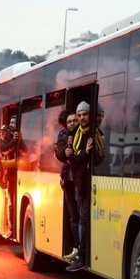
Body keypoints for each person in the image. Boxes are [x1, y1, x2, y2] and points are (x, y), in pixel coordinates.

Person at [66, 101, 105, 272]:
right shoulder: (75, 134)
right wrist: (83, 153)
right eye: (79, 115)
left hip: (90, 184)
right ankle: (81, 255)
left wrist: (85, 154)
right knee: (81, 220)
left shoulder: (93, 133)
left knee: (84, 221)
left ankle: (82, 255)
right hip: (79, 184)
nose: (82, 118)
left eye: (85, 114)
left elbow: (99, 158)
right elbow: (72, 158)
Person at [55, 110, 80, 262]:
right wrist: (66, 151)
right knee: (73, 216)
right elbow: (59, 153)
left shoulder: (83, 134)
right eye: (69, 121)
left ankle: (79, 247)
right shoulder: (63, 135)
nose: (72, 123)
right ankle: (76, 246)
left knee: (81, 215)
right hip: (68, 181)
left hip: (80, 180)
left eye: (74, 120)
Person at [0, 115, 27, 236]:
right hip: (10, 174)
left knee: (17, 201)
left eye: (14, 122)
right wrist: (13, 141)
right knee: (11, 202)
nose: (12, 124)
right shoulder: (8, 135)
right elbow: (4, 149)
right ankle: (11, 227)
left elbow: (25, 151)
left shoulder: (21, 135)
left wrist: (19, 141)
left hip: (23, 172)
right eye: (10, 122)